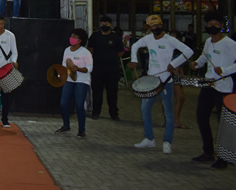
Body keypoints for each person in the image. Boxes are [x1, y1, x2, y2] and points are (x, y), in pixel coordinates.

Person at [129, 14, 193, 154]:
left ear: (162, 25)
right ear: (149, 27)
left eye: (158, 25)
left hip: (166, 82)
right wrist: (134, 60)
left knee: (168, 114)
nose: (156, 27)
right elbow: (134, 46)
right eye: (153, 26)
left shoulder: (170, 40)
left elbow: (189, 51)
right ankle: (149, 139)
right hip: (151, 82)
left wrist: (174, 63)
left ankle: (167, 142)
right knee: (145, 109)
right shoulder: (148, 39)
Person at [190, 10, 236, 169]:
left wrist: (224, 70)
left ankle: (224, 158)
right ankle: (208, 152)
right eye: (209, 23)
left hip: (224, 87)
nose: (212, 25)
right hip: (209, 85)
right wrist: (197, 63)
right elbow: (204, 57)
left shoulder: (230, 44)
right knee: (201, 117)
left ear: (221, 25)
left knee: (224, 124)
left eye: (216, 23)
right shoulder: (209, 41)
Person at [56, 28, 93, 137]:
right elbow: (64, 63)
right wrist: (66, 70)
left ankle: (82, 130)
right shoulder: (67, 50)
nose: (72, 39)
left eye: (74, 37)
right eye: (71, 36)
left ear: (80, 40)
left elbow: (89, 68)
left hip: (82, 81)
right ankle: (66, 124)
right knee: (64, 103)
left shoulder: (85, 52)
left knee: (79, 105)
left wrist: (78, 69)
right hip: (69, 80)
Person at [88, 15, 124, 121]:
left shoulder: (116, 37)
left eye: (106, 24)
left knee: (112, 93)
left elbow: (121, 52)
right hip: (97, 69)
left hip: (112, 70)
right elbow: (90, 49)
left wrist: (110, 57)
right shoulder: (95, 36)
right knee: (97, 92)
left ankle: (114, 114)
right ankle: (96, 112)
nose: (104, 25)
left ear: (110, 25)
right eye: (102, 24)